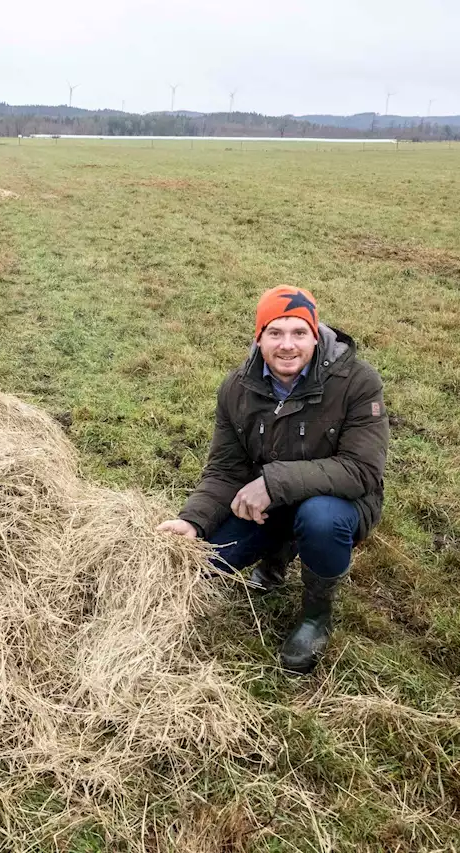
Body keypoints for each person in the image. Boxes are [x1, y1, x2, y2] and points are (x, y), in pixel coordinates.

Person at [157, 286, 389, 675]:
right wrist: (193, 520)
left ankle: (316, 616)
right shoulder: (237, 388)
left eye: (299, 333)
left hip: (340, 501)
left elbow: (362, 469)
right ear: (258, 337)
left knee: (320, 519)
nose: (287, 346)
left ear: (315, 336)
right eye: (275, 333)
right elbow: (226, 470)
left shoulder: (357, 381)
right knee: (210, 562)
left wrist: (272, 483)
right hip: (269, 505)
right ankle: (279, 549)